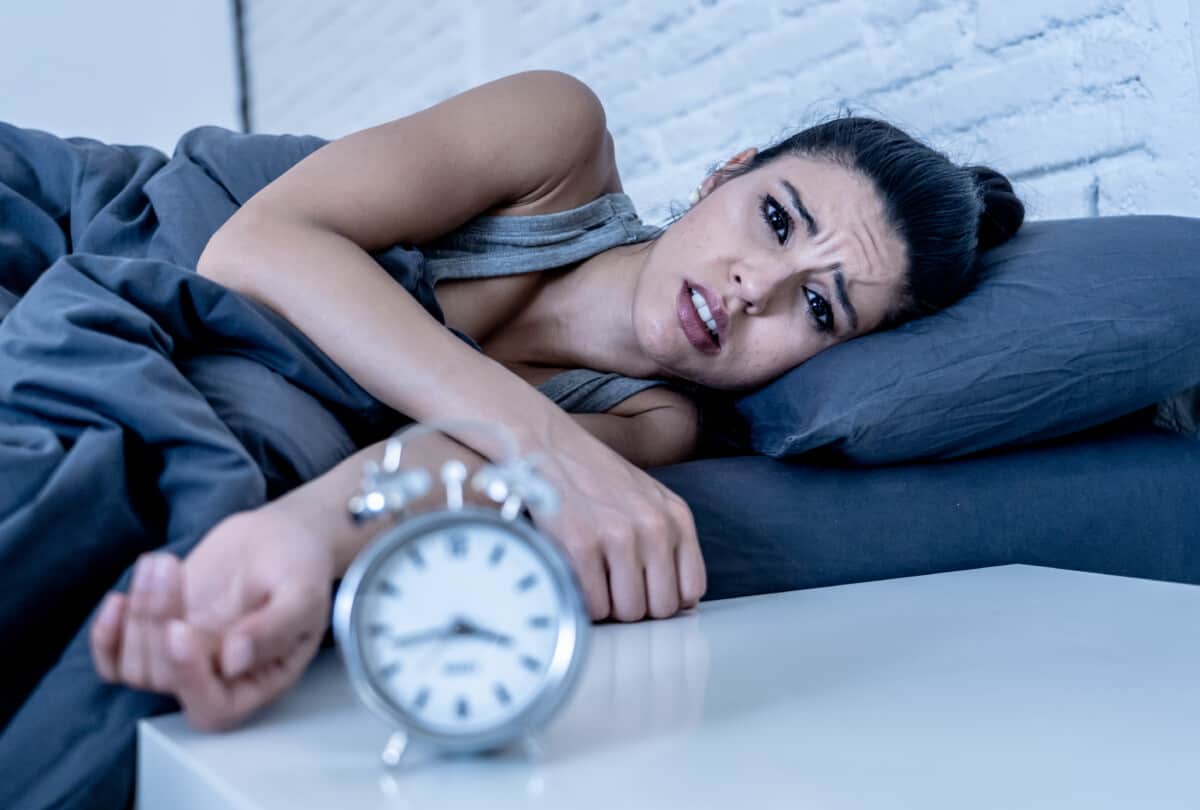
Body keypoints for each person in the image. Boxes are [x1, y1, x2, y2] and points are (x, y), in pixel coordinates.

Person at [5, 68, 1024, 790]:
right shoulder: (560, 141)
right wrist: (544, 446)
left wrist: (305, 539)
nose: (757, 287)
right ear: (726, 172)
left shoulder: (650, 423)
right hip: (85, 219)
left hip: (228, 372)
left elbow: (449, 465)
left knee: (140, 498)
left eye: (819, 308)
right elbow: (256, 246)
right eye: (774, 219)